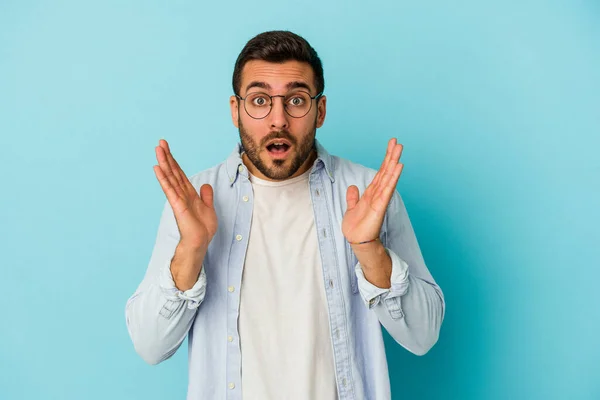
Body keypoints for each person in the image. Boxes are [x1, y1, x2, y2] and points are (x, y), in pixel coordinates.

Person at [125, 30, 445, 400]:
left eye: (295, 100)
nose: (278, 120)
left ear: (320, 111)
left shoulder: (368, 194)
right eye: (260, 100)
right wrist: (192, 249)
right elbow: (150, 346)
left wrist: (370, 248)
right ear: (235, 110)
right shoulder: (193, 201)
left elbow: (423, 336)